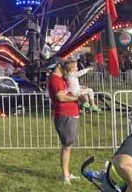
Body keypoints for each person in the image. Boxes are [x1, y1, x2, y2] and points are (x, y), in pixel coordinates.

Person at [47, 57, 84, 185]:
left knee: (69, 145)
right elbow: (61, 97)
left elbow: (68, 92)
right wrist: (77, 98)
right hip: (64, 115)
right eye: (62, 64)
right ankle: (65, 176)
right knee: (67, 145)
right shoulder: (54, 79)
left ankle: (67, 173)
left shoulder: (61, 79)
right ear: (57, 66)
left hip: (71, 114)